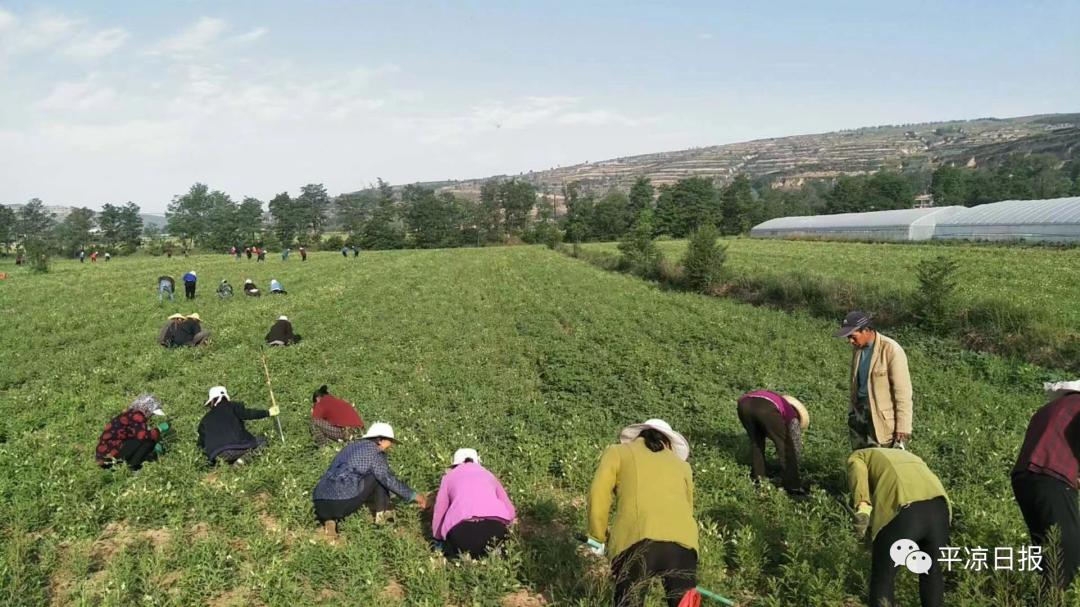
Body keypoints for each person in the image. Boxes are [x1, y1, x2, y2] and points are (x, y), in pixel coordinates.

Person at [588, 419, 698, 607]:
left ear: (638, 436)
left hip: (638, 540)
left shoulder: (619, 452)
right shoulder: (683, 466)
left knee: (629, 601)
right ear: (669, 444)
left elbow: (598, 492)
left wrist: (596, 537)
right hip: (684, 547)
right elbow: (688, 508)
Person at [849, 448, 950, 607]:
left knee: (883, 576)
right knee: (932, 573)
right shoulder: (909, 455)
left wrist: (862, 509)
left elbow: (859, 479)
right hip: (940, 509)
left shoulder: (858, 456)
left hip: (906, 511)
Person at [1012, 380, 1080, 589]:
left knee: (1048, 549)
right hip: (1052, 477)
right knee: (1067, 553)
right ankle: (1053, 600)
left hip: (1024, 478)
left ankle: (1043, 597)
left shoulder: (1050, 409)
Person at [311, 422, 427, 537]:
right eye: (390, 441)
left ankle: (329, 519)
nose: (391, 444)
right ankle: (381, 517)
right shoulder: (375, 452)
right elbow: (388, 480)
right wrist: (416, 497)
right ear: (380, 440)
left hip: (319, 501)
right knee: (379, 477)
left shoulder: (351, 447)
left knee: (362, 477)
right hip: (341, 502)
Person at [835, 311, 913, 450]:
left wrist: (903, 425)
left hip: (881, 418)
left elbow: (903, 393)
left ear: (866, 330)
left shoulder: (891, 350)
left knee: (883, 461)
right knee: (862, 457)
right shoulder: (858, 349)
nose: (850, 341)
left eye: (852, 336)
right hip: (860, 413)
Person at [431, 448, 516, 559]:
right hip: (495, 530)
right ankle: (494, 554)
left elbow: (440, 510)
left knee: (466, 551)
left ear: (455, 463)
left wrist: (438, 540)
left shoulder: (448, 478)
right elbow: (510, 509)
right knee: (492, 548)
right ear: (477, 461)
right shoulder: (488, 474)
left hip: (462, 534)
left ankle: (467, 559)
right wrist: (510, 523)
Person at [735, 390, 810, 495]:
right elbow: (794, 444)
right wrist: (794, 467)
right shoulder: (792, 415)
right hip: (765, 409)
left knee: (757, 443)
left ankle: (758, 479)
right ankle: (793, 486)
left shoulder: (776, 400)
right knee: (785, 445)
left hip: (743, 405)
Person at [197, 386, 278, 465]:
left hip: (217, 456)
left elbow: (201, 444)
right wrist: (268, 412)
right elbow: (249, 414)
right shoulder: (233, 406)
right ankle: (243, 461)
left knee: (227, 455)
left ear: (211, 401)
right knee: (262, 440)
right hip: (238, 448)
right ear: (225, 396)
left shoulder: (205, 419)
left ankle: (229, 464)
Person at [96, 394, 171, 470]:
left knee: (140, 440)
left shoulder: (129, 414)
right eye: (151, 413)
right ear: (146, 409)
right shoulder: (137, 415)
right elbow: (142, 436)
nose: (151, 416)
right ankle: (134, 465)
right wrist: (158, 430)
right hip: (111, 454)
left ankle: (126, 465)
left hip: (105, 455)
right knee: (148, 441)